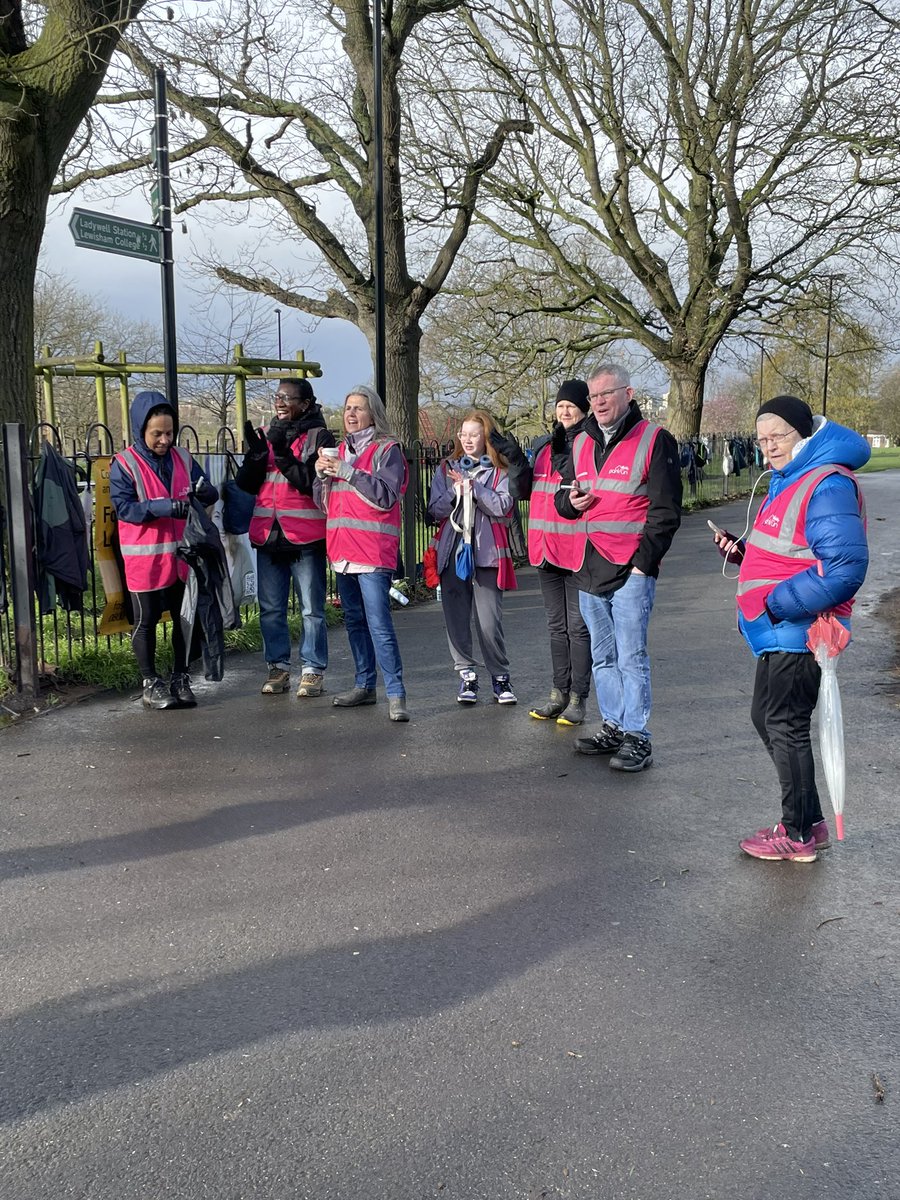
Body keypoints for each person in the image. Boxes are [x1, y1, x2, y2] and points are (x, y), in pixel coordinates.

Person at [710, 396, 869, 863]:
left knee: (784, 724)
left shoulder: (826, 482)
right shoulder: (790, 479)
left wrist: (776, 605)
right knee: (770, 719)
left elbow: (844, 567)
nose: (769, 448)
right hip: (780, 629)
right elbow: (790, 549)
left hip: (801, 629)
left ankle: (797, 835)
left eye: (777, 436)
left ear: (804, 434)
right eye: (761, 440)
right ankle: (809, 821)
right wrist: (742, 553)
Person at [555, 363, 682, 771]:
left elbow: (666, 511)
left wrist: (644, 565)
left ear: (628, 394)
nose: (598, 402)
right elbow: (562, 498)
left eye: (606, 394)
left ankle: (637, 736)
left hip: (631, 571)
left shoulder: (654, 439)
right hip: (589, 566)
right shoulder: (580, 441)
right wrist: (569, 502)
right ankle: (613, 725)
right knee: (603, 657)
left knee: (631, 657)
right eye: (593, 396)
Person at [110, 390, 218, 709]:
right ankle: (150, 682)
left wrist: (205, 492)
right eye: (157, 434)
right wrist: (163, 507)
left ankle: (180, 677)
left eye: (169, 433)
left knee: (185, 620)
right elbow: (124, 509)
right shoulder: (125, 464)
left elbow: (206, 490)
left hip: (181, 556)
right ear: (141, 429)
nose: (164, 440)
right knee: (146, 621)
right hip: (145, 558)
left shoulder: (182, 458)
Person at [314, 386, 409, 722]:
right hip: (342, 550)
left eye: (358, 408)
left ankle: (396, 694)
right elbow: (324, 504)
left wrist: (348, 472)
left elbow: (386, 496)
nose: (351, 414)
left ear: (374, 415)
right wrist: (320, 477)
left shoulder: (388, 450)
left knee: (379, 624)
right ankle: (365, 685)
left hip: (372, 552)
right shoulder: (338, 451)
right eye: (347, 408)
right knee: (354, 621)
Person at [237, 378, 334, 696]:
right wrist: (254, 458)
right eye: (276, 396)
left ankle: (312, 669)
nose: (279, 402)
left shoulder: (319, 436)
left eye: (286, 398)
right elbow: (247, 485)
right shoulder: (266, 433)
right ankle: (277, 667)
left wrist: (279, 452)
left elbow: (310, 481)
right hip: (268, 534)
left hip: (305, 535)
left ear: (305, 404)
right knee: (271, 609)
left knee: (311, 609)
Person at [426, 410, 518, 705]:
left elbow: (503, 506)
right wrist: (455, 492)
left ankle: (500, 676)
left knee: (489, 621)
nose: (467, 440)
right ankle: (466, 675)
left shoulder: (500, 471)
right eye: (463, 434)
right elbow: (434, 510)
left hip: (487, 554)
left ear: (486, 437)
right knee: (455, 617)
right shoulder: (446, 468)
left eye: (474, 434)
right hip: (452, 551)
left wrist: (475, 489)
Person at [526, 380, 593, 726]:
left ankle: (578, 697)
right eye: (560, 406)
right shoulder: (543, 445)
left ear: (585, 408)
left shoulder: (591, 443)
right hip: (545, 548)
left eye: (571, 406)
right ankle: (558, 693)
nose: (565, 411)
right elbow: (527, 490)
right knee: (556, 626)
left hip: (577, 548)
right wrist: (516, 465)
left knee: (578, 627)